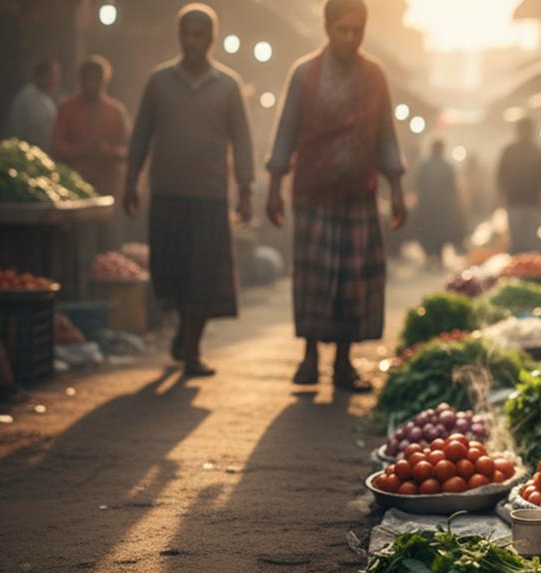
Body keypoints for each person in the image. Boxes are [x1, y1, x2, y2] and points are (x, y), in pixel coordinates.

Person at [266, 0, 406, 391]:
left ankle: (343, 363)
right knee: (314, 278)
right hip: (313, 192)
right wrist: (274, 186)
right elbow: (285, 131)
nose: (350, 38)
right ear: (327, 28)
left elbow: (386, 136)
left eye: (357, 31)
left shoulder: (375, 75)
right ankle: (310, 357)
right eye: (342, 30)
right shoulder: (304, 73)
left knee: (352, 281)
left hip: (359, 194)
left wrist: (395, 188)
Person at [125, 3, 254, 377]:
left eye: (200, 35)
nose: (193, 41)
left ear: (211, 39)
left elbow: (242, 141)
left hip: (210, 195)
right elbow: (141, 134)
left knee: (203, 276)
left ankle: (193, 350)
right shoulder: (159, 81)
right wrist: (131, 179)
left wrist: (246, 190)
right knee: (171, 271)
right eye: (187, 34)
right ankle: (184, 327)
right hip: (167, 191)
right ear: (179, 37)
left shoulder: (228, 85)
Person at [51, 55, 130, 199]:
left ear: (104, 81)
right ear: (80, 81)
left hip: (108, 187)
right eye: (87, 80)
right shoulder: (67, 109)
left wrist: (107, 150)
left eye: (96, 80)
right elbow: (56, 147)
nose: (91, 85)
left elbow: (128, 149)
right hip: (73, 186)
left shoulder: (116, 111)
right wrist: (82, 149)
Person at [496, 117, 541, 254]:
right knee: (517, 240)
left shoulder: (537, 152)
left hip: (531, 203)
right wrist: (502, 197)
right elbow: (501, 176)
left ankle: (532, 268)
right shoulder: (509, 151)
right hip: (515, 202)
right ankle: (517, 269)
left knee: (531, 241)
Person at [410, 138, 466, 266]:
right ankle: (435, 255)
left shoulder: (426, 166)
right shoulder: (444, 166)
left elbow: (418, 185)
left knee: (430, 232)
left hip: (431, 206)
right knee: (437, 231)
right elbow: (453, 188)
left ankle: (432, 255)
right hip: (439, 206)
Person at [7, 59, 59, 150]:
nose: (54, 81)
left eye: (54, 77)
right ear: (39, 76)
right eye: (50, 77)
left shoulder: (44, 96)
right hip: (29, 152)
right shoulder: (29, 97)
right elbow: (36, 132)